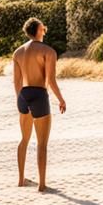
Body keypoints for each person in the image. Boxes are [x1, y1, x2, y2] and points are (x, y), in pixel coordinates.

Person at [12, 18, 66, 192]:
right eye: (43, 28)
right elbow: (50, 80)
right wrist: (61, 99)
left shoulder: (18, 52)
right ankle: (42, 185)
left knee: (24, 139)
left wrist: (20, 100)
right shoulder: (48, 51)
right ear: (38, 31)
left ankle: (21, 180)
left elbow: (16, 82)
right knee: (42, 143)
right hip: (39, 95)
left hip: (23, 95)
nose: (45, 31)